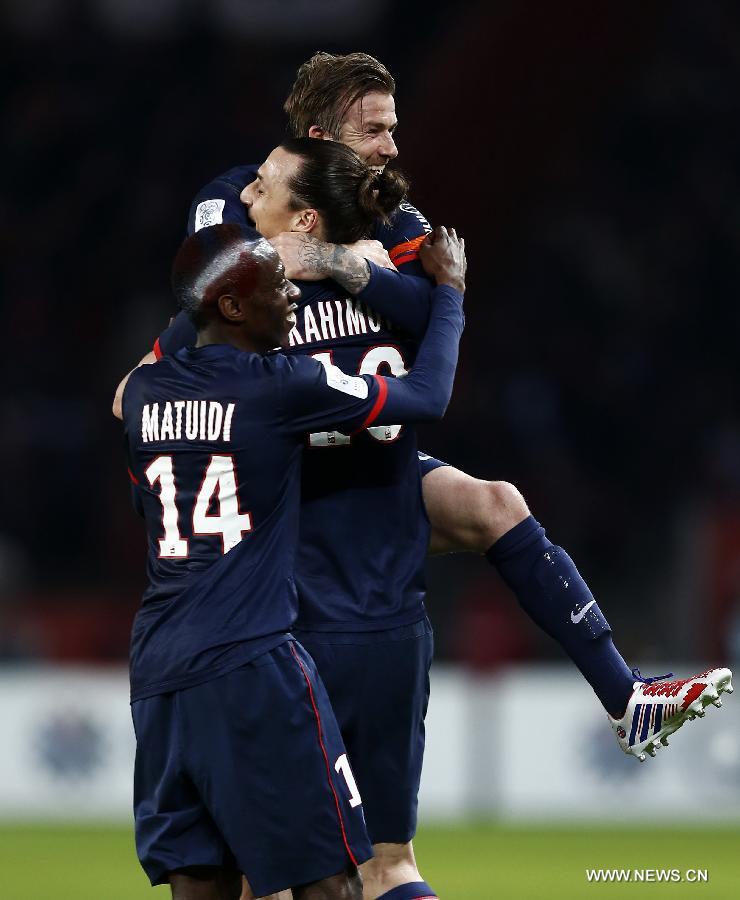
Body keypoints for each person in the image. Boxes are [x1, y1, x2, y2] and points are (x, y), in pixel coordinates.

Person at [118, 55, 733, 900]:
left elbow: (430, 303)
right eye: (376, 126)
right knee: (335, 871)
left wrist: (346, 265)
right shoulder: (234, 198)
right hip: (284, 474)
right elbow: (212, 292)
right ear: (323, 133)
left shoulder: (389, 211)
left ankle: (626, 698)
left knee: (494, 504)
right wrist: (301, 258)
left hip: (363, 456)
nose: (394, 141)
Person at [122, 221, 466, 900]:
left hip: (158, 672)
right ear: (232, 307)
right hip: (253, 664)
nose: (296, 300)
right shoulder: (280, 386)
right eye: (277, 286)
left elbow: (147, 505)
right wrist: (450, 292)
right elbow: (427, 398)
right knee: (333, 882)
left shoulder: (142, 395)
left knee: (204, 886)